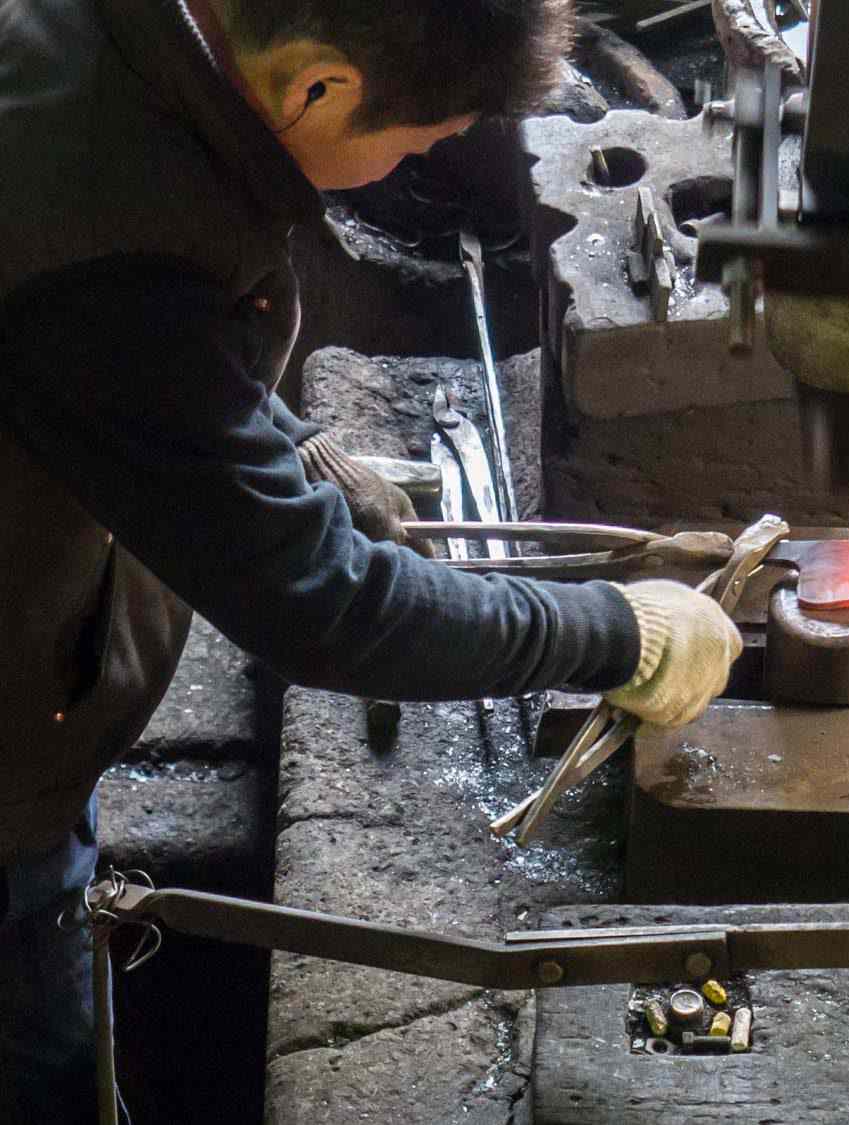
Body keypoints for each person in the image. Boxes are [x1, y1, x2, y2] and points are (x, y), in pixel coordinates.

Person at [0, 2, 743, 1120]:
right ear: (318, 86)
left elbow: (134, 376)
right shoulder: (102, 247)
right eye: (420, 141)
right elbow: (326, 608)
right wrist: (619, 635)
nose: (430, 158)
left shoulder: (113, 54)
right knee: (42, 1064)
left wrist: (280, 444)